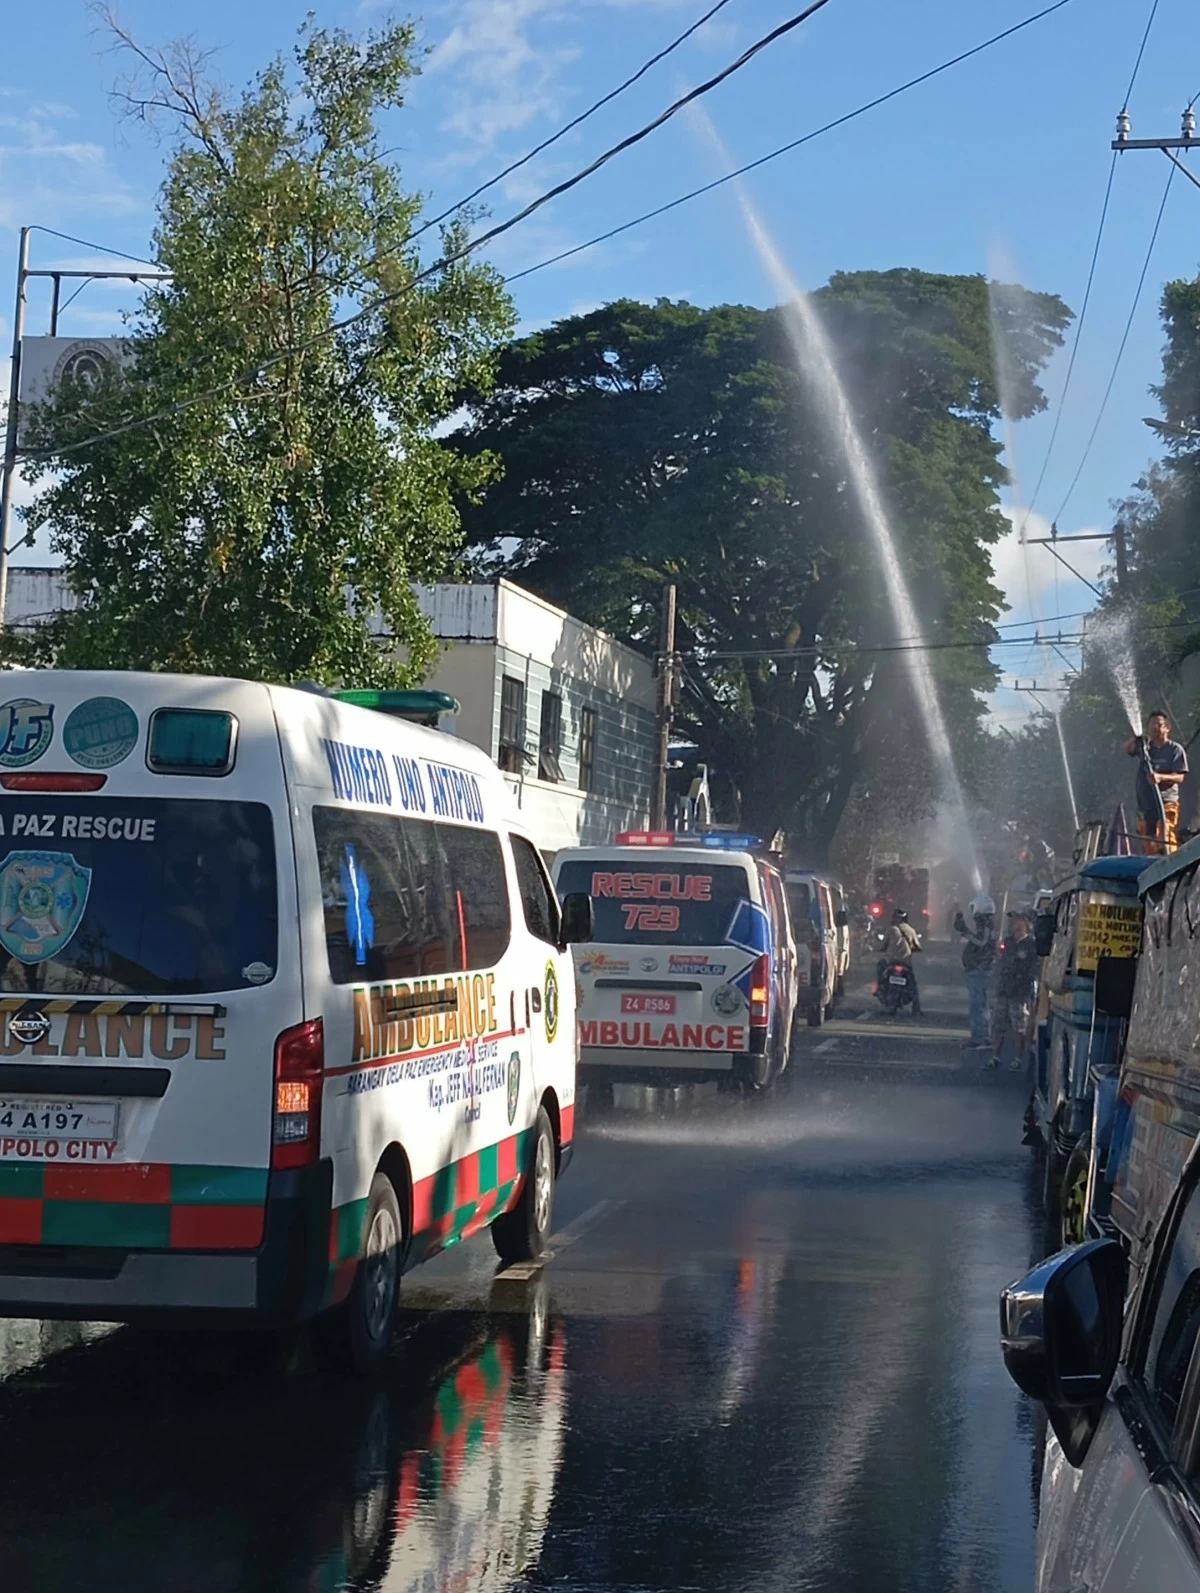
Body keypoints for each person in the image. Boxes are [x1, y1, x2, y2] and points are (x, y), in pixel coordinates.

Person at [1125, 710, 1188, 855]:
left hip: (1166, 801)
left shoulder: (1175, 750)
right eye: (1152, 724)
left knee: (1164, 830)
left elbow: (1180, 777)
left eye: (1159, 724)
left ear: (1167, 727)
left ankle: (1171, 863)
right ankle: (1153, 866)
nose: (1155, 728)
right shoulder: (1145, 748)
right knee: (1148, 839)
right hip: (1146, 803)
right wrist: (1136, 739)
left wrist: (1160, 778)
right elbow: (1127, 749)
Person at [989, 911, 1038, 1071]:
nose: (1014, 925)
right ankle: (995, 1056)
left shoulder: (1030, 945)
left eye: (1018, 921)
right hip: (1004, 989)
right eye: (1013, 922)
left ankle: (1018, 1059)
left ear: (1025, 924)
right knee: (998, 1025)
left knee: (1019, 1027)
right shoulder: (1008, 942)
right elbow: (1000, 962)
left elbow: (1032, 969)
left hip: (1019, 992)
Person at [953, 894, 996, 1048]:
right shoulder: (986, 921)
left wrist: (966, 932)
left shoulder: (985, 922)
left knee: (978, 1006)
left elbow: (981, 941)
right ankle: (981, 1036)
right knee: (980, 1005)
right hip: (979, 969)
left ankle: (980, 1038)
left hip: (979, 969)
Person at [878, 907, 922, 1014]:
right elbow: (918, 946)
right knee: (913, 985)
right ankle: (916, 1008)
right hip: (905, 962)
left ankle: (879, 990)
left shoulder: (891, 929)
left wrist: (881, 948)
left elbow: (882, 945)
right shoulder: (911, 930)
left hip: (891, 961)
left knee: (880, 973)